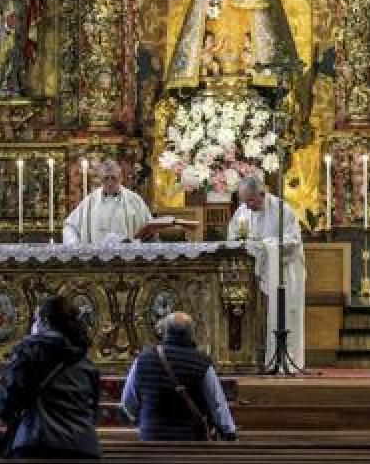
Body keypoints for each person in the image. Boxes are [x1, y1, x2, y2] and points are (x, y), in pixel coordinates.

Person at [0, 295, 101, 459]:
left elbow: (7, 401)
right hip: (83, 447)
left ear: (44, 321)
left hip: (35, 443)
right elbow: (93, 409)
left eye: (35, 319)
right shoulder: (85, 362)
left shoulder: (28, 353)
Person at [227, 174, 307, 371]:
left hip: (283, 271)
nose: (248, 206)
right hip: (253, 273)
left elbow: (293, 242)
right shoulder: (243, 211)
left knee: (284, 314)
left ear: (262, 194)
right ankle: (258, 359)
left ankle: (285, 360)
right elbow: (232, 236)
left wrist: (266, 245)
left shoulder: (282, 210)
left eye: (251, 200)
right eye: (244, 201)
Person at [121, 312, 236, 441]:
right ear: (191, 333)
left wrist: (144, 418)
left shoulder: (144, 358)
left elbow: (128, 401)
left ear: (164, 331)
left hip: (152, 438)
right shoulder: (201, 362)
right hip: (190, 441)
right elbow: (217, 403)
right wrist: (228, 432)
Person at [62, 160, 153, 245]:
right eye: (106, 178)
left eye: (113, 178)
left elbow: (149, 228)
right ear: (100, 179)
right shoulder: (90, 201)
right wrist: (73, 244)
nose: (110, 183)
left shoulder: (135, 200)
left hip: (127, 258)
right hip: (96, 257)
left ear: (121, 178)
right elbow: (70, 226)